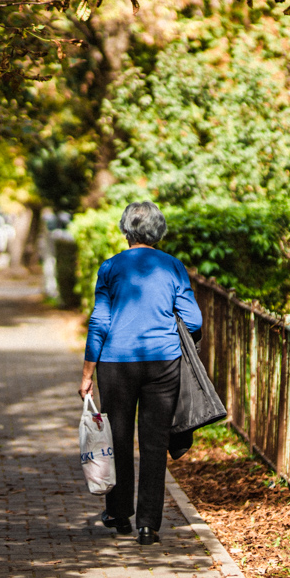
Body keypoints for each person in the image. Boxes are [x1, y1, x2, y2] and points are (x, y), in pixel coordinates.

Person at [79, 201, 202, 545]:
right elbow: (194, 320)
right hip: (163, 363)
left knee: (117, 438)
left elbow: (100, 321)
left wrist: (87, 372)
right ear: (158, 231)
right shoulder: (173, 267)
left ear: (126, 230)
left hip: (116, 364)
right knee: (154, 443)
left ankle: (119, 516)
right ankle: (148, 525)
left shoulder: (110, 267)